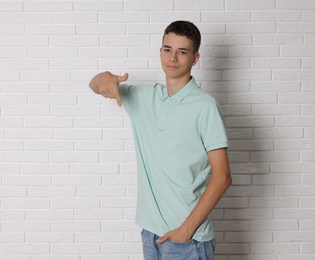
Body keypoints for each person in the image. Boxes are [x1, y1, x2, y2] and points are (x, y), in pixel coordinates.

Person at [89, 21, 231, 260]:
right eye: (167, 49)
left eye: (182, 52)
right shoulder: (145, 97)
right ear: (160, 52)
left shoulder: (205, 107)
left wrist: (186, 231)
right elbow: (94, 84)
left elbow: (223, 176)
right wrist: (104, 78)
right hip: (151, 235)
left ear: (195, 58)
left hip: (188, 241)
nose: (172, 58)